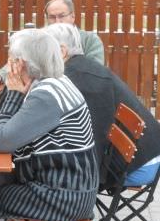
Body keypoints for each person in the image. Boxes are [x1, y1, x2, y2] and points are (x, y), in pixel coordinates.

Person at [0, 29, 98, 221]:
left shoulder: (46, 95)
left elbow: (3, 140)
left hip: (61, 196)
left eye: (11, 59)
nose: (8, 64)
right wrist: (14, 92)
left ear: (21, 64)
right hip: (56, 178)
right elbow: (5, 121)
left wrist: (13, 92)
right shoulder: (55, 81)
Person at [45, 23, 160, 188]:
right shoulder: (81, 68)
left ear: (62, 52)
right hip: (145, 154)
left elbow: (93, 137)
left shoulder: (81, 79)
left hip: (141, 165)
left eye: (44, 49)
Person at [0, 0, 105, 88]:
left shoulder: (90, 40)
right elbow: (21, 58)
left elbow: (94, 73)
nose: (57, 21)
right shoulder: (41, 38)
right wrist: (0, 76)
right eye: (52, 17)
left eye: (61, 16)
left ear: (73, 16)